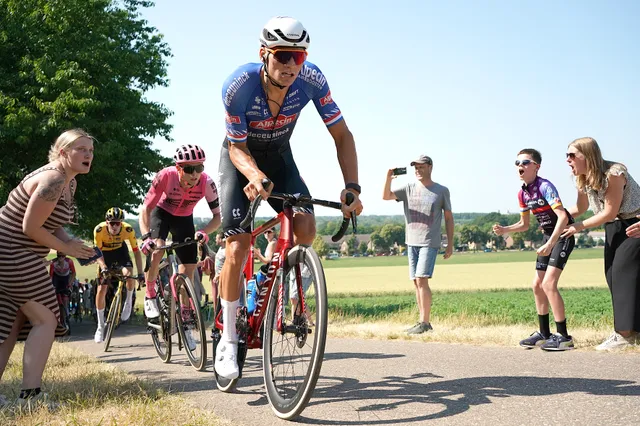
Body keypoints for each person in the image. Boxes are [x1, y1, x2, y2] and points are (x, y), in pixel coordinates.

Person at [216, 16, 362, 380]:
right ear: (264, 53)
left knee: (306, 227)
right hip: (241, 161)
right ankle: (228, 338)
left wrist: (352, 187)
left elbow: (342, 135)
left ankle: (273, 273)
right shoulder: (239, 86)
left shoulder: (312, 80)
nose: (291, 65)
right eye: (283, 56)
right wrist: (253, 176)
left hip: (280, 158)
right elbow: (236, 147)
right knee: (237, 245)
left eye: (298, 56)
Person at [0, 129, 96, 407]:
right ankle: (30, 397)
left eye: (90, 150)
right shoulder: (54, 179)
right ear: (63, 152)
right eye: (81, 149)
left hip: (14, 252)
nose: (88, 155)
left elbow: (49, 223)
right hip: (13, 252)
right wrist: (65, 249)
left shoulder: (68, 181)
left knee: (9, 324)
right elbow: (29, 227)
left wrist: (71, 242)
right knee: (46, 318)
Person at [139, 144, 221, 350]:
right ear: (178, 168)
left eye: (199, 168)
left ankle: (186, 317)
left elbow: (218, 217)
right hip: (162, 214)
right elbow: (146, 209)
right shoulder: (165, 176)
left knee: (188, 270)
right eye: (189, 169)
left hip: (184, 219)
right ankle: (150, 293)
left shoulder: (207, 183)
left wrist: (204, 231)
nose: (195, 174)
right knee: (158, 248)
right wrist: (146, 237)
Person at [493, 149, 576, 351]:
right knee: (537, 285)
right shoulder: (523, 193)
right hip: (547, 238)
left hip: (562, 235)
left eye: (525, 162)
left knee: (548, 284)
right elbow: (524, 224)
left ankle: (564, 337)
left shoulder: (545, 186)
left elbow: (563, 216)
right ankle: (544, 333)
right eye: (517, 162)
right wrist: (505, 229)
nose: (520, 166)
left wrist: (550, 243)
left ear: (536, 166)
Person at [562, 137, 640, 350]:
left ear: (587, 155)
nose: (567, 160)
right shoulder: (581, 177)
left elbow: (609, 211)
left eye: (571, 155)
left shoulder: (614, 173)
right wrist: (554, 217)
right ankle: (632, 331)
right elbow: (579, 208)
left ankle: (624, 334)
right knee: (612, 276)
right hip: (614, 227)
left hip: (634, 223)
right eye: (566, 155)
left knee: (623, 276)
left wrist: (579, 227)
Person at [382, 155, 453, 335]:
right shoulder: (408, 189)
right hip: (411, 241)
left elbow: (448, 218)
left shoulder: (441, 190)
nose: (418, 170)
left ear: (430, 167)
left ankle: (425, 322)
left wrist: (450, 243)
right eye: (415, 167)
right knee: (416, 282)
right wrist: (388, 178)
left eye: (421, 167)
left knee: (422, 279)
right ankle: (421, 320)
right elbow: (386, 196)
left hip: (429, 241)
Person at [92, 207, 144, 342]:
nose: (115, 226)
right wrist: (103, 267)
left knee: (128, 274)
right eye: (112, 223)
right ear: (106, 222)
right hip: (105, 255)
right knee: (102, 289)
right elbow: (97, 252)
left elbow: (136, 252)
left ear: (121, 223)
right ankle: (100, 325)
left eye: (118, 223)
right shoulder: (99, 230)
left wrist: (140, 273)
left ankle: (127, 302)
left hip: (121, 253)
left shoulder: (128, 230)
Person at [49, 252, 76, 321]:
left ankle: (66, 310)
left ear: (65, 256)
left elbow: (73, 273)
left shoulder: (69, 261)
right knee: (54, 293)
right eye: (59, 256)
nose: (60, 258)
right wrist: (51, 286)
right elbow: (51, 276)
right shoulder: (53, 263)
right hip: (56, 277)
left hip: (65, 278)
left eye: (62, 256)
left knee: (65, 296)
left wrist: (69, 284)